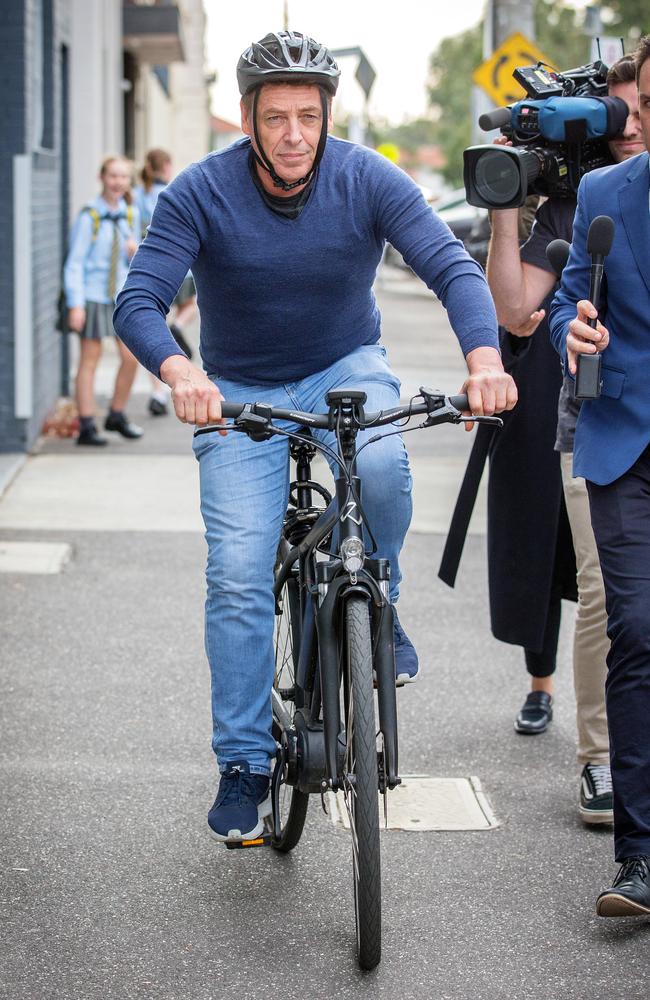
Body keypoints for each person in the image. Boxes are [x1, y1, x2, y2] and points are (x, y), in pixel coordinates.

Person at [114, 31, 517, 843]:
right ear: (247, 119)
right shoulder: (199, 192)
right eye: (276, 117)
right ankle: (242, 761)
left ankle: (383, 597)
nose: (294, 133)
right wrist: (181, 374)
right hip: (237, 389)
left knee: (384, 467)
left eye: (308, 116)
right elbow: (139, 300)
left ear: (328, 117)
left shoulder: (366, 176)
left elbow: (452, 267)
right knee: (236, 571)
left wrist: (483, 360)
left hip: (344, 366)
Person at [481, 55, 643, 823]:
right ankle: (601, 763)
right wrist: (506, 197)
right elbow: (516, 312)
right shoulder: (582, 200)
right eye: (618, 113)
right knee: (607, 595)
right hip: (597, 426)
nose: (630, 125)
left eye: (638, 109)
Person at [549, 35, 650, 915]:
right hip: (626, 441)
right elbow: (566, 296)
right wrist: (571, 329)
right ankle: (640, 859)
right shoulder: (603, 193)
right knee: (639, 630)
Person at [63, 155, 143, 445]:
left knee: (132, 357)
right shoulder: (89, 217)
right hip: (94, 296)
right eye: (113, 176)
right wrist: (76, 304)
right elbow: (74, 263)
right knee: (90, 361)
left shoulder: (130, 214)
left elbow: (132, 260)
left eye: (123, 177)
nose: (118, 182)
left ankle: (116, 414)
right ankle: (86, 425)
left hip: (119, 294)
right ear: (102, 178)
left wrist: (135, 252)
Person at [132, 148, 199, 416]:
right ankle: (179, 326)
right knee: (191, 305)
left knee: (155, 326)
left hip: (151, 267)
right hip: (180, 269)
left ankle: (158, 392)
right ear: (167, 166)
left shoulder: (138, 197)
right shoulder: (172, 192)